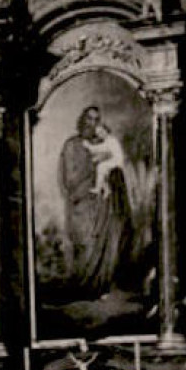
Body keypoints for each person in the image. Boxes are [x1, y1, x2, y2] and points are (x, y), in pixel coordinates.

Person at [58, 106, 133, 296]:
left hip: (102, 205)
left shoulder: (104, 143)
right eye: (89, 119)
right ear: (82, 120)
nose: (93, 123)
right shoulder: (72, 145)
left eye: (96, 119)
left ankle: (100, 286)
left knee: (103, 243)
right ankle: (82, 287)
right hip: (81, 203)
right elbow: (70, 179)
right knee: (85, 243)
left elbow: (114, 172)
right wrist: (92, 166)